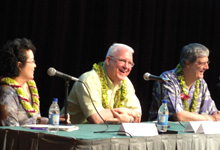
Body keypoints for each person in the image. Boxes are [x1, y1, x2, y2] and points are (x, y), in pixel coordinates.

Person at [65, 43, 142, 124]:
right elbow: (97, 118)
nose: (126, 66)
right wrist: (126, 113)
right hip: (74, 133)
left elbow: (138, 114)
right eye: (122, 61)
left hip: (106, 134)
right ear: (108, 60)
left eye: (130, 63)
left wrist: (128, 117)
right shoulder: (88, 79)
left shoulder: (126, 82)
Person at [0, 38, 70, 126]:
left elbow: (34, 120)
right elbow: (11, 130)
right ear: (20, 65)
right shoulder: (7, 92)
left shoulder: (30, 86)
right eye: (32, 61)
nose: (35, 65)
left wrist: (52, 121)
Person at [149, 43, 220, 122]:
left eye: (207, 62)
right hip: (166, 131)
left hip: (194, 132)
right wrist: (212, 118)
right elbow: (178, 115)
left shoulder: (201, 83)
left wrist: (216, 115)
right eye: (202, 63)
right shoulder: (168, 80)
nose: (207, 67)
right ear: (188, 63)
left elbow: (213, 111)